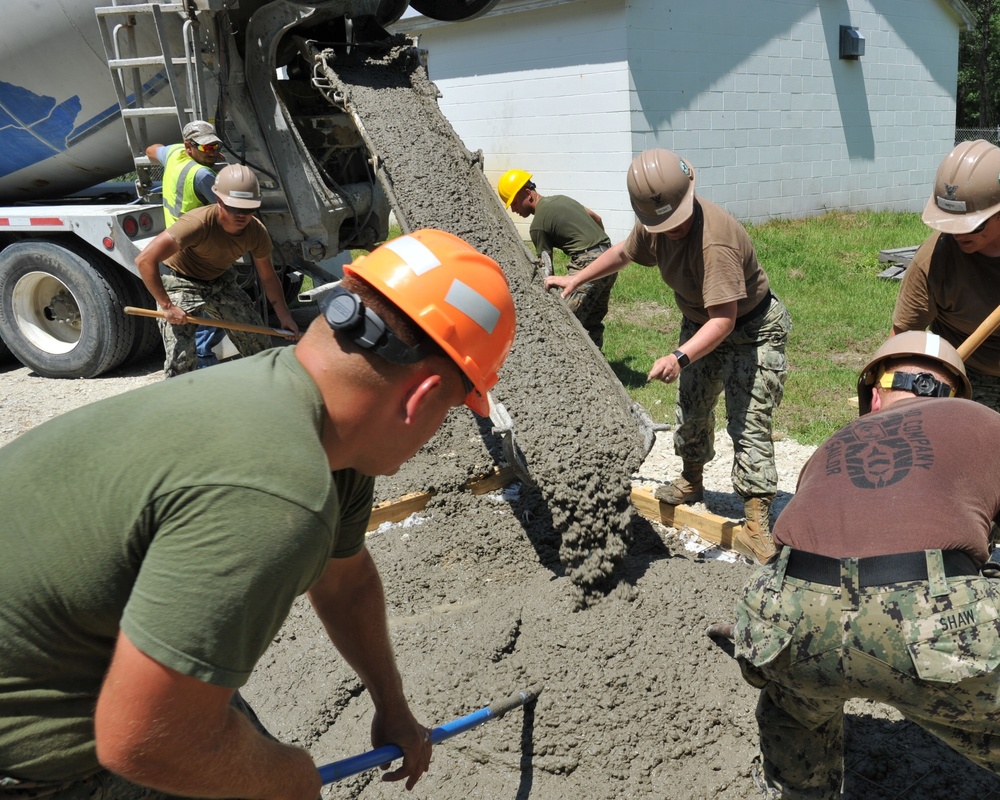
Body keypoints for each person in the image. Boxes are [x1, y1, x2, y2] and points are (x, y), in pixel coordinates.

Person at [0, 229, 517, 799]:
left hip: (87, 667)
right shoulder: (276, 492)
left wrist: (392, 706)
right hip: (36, 751)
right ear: (420, 399)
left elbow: (345, 581)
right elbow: (144, 741)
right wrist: (288, 779)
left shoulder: (308, 412)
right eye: (449, 411)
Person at [733, 330, 1000, 799]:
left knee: (794, 707)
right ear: (953, 390)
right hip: (926, 620)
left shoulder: (829, 447)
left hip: (791, 613)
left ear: (875, 395)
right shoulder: (983, 421)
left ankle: (799, 788)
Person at [545, 148, 791, 564]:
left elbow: (725, 320)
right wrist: (578, 277)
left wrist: (679, 356)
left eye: (675, 222)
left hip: (752, 329)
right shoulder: (655, 225)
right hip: (700, 325)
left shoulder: (715, 241)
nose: (670, 231)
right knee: (692, 409)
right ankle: (691, 480)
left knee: (747, 421)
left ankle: (755, 525)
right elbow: (624, 252)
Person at [137, 163, 300, 377]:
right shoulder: (197, 223)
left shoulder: (256, 232)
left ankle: (264, 390)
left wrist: (284, 316)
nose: (242, 215)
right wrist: (167, 307)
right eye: (235, 208)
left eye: (248, 209)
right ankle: (183, 402)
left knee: (258, 342)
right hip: (180, 281)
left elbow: (268, 277)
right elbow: (144, 260)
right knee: (182, 358)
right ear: (220, 201)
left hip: (219, 280)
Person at [892, 138, 1000, 412]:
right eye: (951, 224)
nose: (958, 234)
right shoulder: (934, 259)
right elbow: (903, 336)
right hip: (970, 373)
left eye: (971, 225)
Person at [497, 169, 617, 348]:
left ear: (528, 194)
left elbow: (547, 272)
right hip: (610, 260)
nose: (513, 210)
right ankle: (597, 370)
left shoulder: (538, 226)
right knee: (592, 321)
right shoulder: (561, 199)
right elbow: (596, 218)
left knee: (565, 322)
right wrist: (602, 254)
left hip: (588, 263)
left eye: (514, 203)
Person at [145, 119, 228, 368]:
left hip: (176, 247)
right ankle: (205, 363)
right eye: (206, 148)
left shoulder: (173, 154)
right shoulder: (203, 175)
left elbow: (151, 149)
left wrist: (171, 154)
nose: (212, 152)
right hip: (197, 252)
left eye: (215, 147)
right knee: (209, 313)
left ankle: (202, 362)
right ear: (189, 146)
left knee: (199, 314)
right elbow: (228, 211)